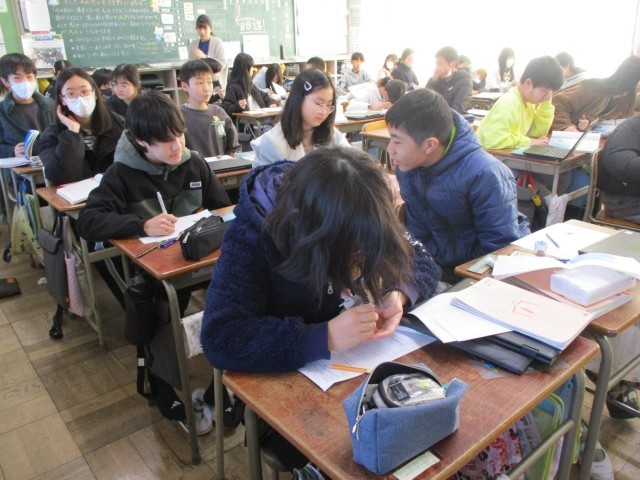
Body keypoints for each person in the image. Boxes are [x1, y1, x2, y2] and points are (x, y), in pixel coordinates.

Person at [201, 146, 442, 374]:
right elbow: (221, 337)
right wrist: (323, 337)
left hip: (348, 361)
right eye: (349, 246)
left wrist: (400, 293)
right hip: (284, 375)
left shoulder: (361, 207)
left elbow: (422, 258)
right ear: (305, 222)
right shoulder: (251, 237)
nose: (357, 254)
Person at [76, 91, 231, 428]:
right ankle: (160, 383)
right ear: (141, 142)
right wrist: (140, 224)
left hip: (192, 260)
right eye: (165, 141)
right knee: (156, 310)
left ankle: (224, 384)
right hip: (149, 270)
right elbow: (87, 222)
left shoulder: (193, 163)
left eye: (179, 135)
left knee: (236, 291)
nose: (177, 146)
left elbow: (222, 209)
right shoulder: (120, 174)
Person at [386, 89, 529, 279]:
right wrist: (420, 275)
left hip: (479, 270)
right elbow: (416, 233)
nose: (390, 149)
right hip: (441, 266)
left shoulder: (486, 174)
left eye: (397, 141)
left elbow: (497, 250)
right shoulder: (408, 169)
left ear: (430, 145)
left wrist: (461, 283)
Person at [39, 67, 125, 185]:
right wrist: (72, 134)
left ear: (95, 93)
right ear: (62, 100)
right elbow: (57, 176)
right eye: (71, 94)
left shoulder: (119, 124)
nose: (79, 98)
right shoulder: (52, 135)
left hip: (115, 191)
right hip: (76, 195)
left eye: (84, 91)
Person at [251, 68, 350, 166]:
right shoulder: (272, 144)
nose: (324, 111)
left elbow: (354, 164)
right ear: (299, 99)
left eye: (329, 105)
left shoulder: (333, 136)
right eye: (318, 103)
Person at [476, 56, 564, 150]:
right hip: (484, 156)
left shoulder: (529, 103)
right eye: (544, 91)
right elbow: (493, 140)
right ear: (528, 83)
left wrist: (546, 104)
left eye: (550, 92)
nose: (547, 96)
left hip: (498, 155)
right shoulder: (509, 103)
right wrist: (529, 142)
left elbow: (537, 133)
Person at [551, 56, 640, 132]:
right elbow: (556, 102)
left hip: (587, 139)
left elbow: (599, 119)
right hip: (557, 138)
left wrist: (588, 121)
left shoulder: (624, 101)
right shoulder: (594, 89)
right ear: (634, 80)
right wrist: (565, 126)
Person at [179, 60, 239, 158]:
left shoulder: (219, 112)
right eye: (200, 83)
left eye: (210, 82)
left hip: (222, 166)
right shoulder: (177, 116)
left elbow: (234, 147)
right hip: (194, 167)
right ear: (185, 86)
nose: (206, 88)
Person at [0, 53, 56, 158]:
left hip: (50, 163)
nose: (25, 82)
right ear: (5, 81)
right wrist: (12, 151)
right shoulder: (2, 111)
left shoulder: (50, 104)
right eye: (17, 78)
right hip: (21, 167)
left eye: (29, 77)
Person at [426, 46, 473, 113]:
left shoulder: (464, 80)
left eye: (440, 63)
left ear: (453, 63)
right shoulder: (435, 80)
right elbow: (423, 101)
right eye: (436, 63)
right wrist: (433, 81)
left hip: (451, 117)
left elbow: (458, 108)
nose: (437, 67)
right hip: (433, 116)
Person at [188, 14, 227, 87]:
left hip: (214, 81)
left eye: (205, 28)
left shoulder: (218, 42)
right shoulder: (193, 44)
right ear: (196, 29)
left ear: (211, 29)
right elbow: (189, 65)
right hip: (198, 82)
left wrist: (204, 57)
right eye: (199, 28)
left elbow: (222, 64)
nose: (202, 32)